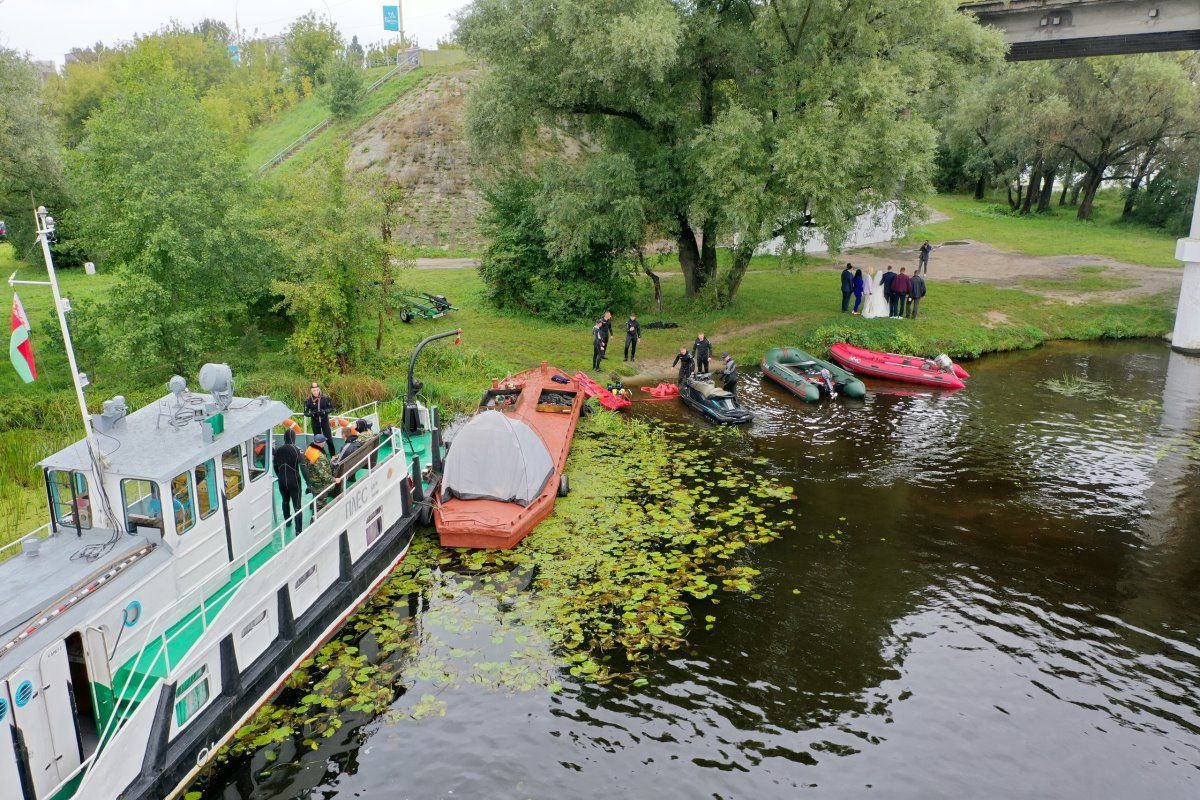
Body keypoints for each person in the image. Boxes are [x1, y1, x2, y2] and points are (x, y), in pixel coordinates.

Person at [273, 428, 305, 534]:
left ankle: (287, 521)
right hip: (294, 480)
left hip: (282, 481)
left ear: (284, 438)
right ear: (294, 438)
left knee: (285, 501)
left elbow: (275, 466)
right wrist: (308, 483)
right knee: (297, 506)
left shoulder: (278, 450)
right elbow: (303, 467)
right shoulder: (297, 449)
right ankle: (298, 531)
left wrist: (280, 476)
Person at [301, 434, 334, 509]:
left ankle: (313, 506)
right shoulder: (319, 456)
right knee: (321, 503)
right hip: (319, 483)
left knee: (315, 495)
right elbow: (323, 475)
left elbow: (314, 465)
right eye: (324, 441)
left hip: (311, 478)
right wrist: (334, 479)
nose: (325, 442)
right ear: (322, 443)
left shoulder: (310, 449)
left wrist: (328, 461)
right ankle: (317, 513)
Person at [304, 383, 335, 456]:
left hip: (325, 421)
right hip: (315, 422)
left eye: (317, 390)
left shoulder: (326, 398)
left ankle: (333, 456)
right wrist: (313, 414)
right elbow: (305, 413)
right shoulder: (308, 400)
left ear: (319, 389)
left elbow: (332, 408)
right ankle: (320, 457)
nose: (316, 392)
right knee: (318, 441)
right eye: (314, 390)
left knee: (329, 440)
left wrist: (324, 411)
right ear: (311, 391)